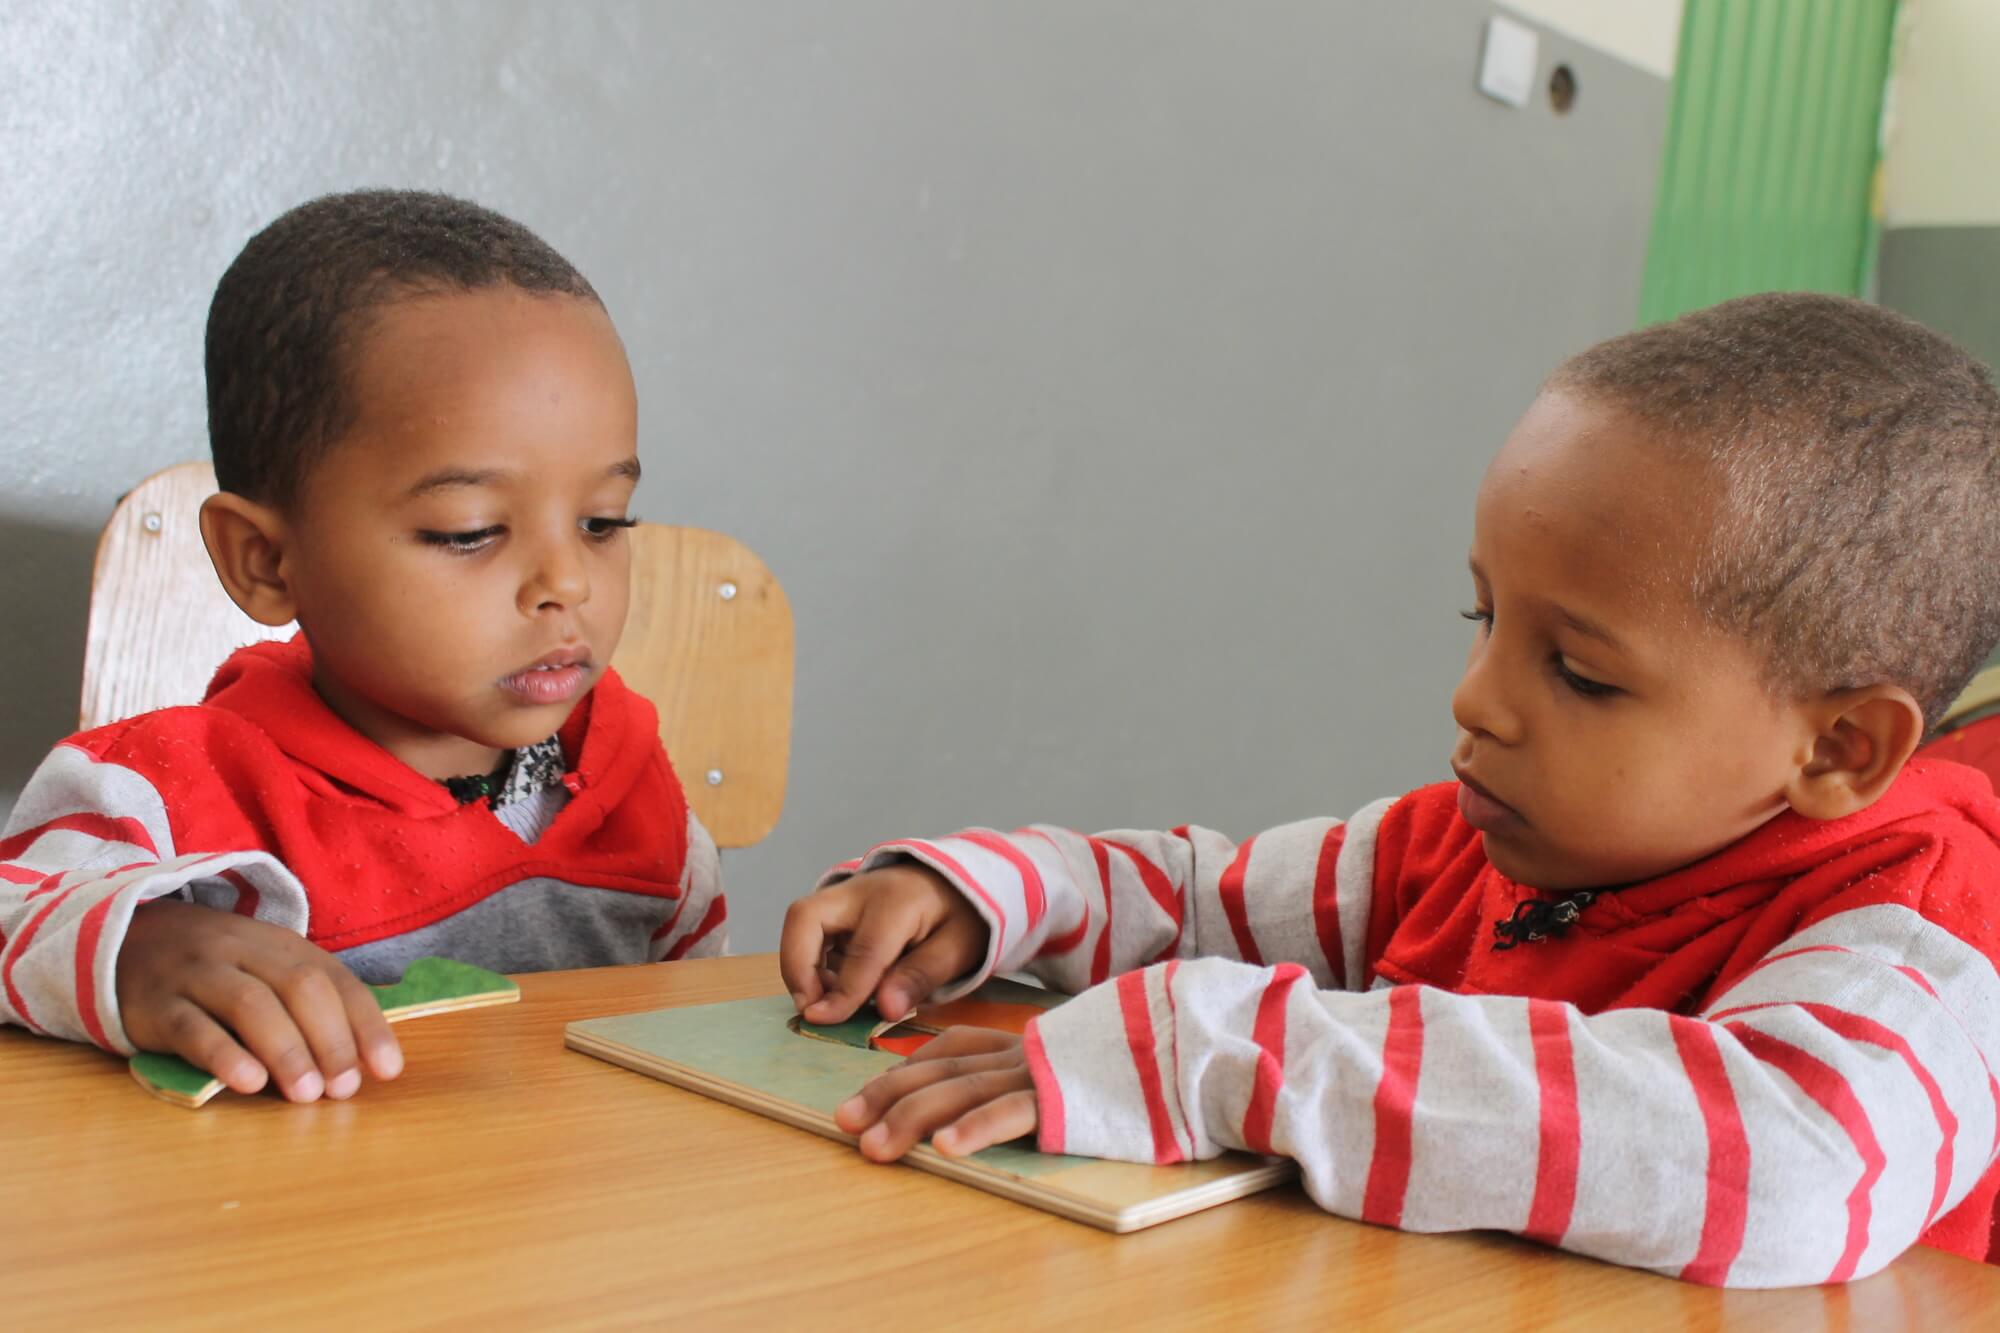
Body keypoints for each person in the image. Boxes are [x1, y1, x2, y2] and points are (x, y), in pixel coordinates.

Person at [781, 293, 2000, 1287]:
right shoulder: (1484, 841)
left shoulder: (1920, 941)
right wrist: (992, 893)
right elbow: (1205, 898)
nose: (1475, 698)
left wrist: (1216, 1051)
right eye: (1482, 616)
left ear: (1839, 747)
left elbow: (1787, 1167)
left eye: (1575, 671)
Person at [0, 190, 725, 1105]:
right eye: (469, 531)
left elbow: (688, 1040)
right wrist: (131, 952)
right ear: (266, 559)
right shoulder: (167, 795)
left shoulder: (640, 800)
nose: (567, 583)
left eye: (602, 520)